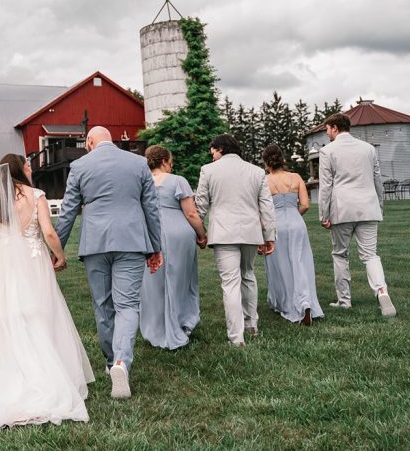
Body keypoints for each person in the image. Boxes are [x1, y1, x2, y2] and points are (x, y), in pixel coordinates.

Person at [0, 155, 94, 429]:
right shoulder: (35, 195)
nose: (30, 168)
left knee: (7, 318)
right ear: (19, 168)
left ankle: (6, 376)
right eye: (27, 165)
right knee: (37, 315)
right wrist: (60, 256)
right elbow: (49, 232)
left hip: (2, 267)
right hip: (32, 262)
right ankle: (41, 378)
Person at [55, 126, 162, 399]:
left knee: (103, 305)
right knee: (127, 305)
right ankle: (121, 363)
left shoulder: (79, 166)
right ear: (111, 140)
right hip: (132, 242)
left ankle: (109, 361)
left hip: (95, 244)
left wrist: (57, 249)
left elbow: (67, 211)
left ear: (90, 142)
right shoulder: (139, 163)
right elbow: (151, 208)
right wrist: (156, 246)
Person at [194, 134, 276, 346]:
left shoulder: (208, 170)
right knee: (248, 275)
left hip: (223, 233)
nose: (211, 154)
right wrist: (269, 236)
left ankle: (236, 337)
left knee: (230, 282)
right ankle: (252, 325)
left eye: (212, 150)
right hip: (250, 232)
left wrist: (199, 232)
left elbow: (201, 205)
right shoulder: (257, 171)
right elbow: (266, 207)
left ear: (220, 148)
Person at [318, 113, 397, 317]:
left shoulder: (327, 151)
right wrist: (379, 205)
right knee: (370, 254)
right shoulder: (368, 149)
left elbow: (326, 185)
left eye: (327, 129)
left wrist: (323, 214)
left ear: (335, 128)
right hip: (368, 207)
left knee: (340, 254)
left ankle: (344, 300)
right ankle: (381, 291)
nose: (326, 132)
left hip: (342, 209)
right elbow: (377, 179)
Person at [139, 145, 208, 350]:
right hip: (178, 233)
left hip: (149, 234)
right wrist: (202, 234)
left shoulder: (140, 182)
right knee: (181, 279)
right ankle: (182, 323)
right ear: (164, 161)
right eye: (171, 161)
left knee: (153, 283)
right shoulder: (178, 180)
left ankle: (156, 328)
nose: (172, 165)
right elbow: (191, 214)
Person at [261, 145, 324, 326]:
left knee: (281, 266)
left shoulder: (264, 181)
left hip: (276, 225)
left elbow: (263, 209)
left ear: (266, 162)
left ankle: (287, 303)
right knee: (300, 262)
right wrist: (294, 214)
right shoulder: (295, 177)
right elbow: (305, 204)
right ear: (282, 159)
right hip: (297, 223)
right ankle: (305, 302)